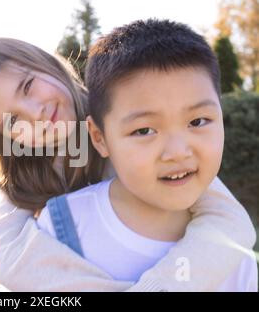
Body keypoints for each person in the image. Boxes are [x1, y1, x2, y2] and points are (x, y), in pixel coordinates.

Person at [0, 36, 256, 292]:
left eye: (28, 86)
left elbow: (230, 222)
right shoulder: (22, 179)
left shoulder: (128, 119)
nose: (35, 111)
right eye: (13, 119)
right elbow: (9, 262)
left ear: (47, 64)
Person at [36, 19, 257, 291]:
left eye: (198, 122)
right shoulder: (62, 228)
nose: (177, 152)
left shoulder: (235, 258)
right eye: (144, 130)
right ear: (100, 138)